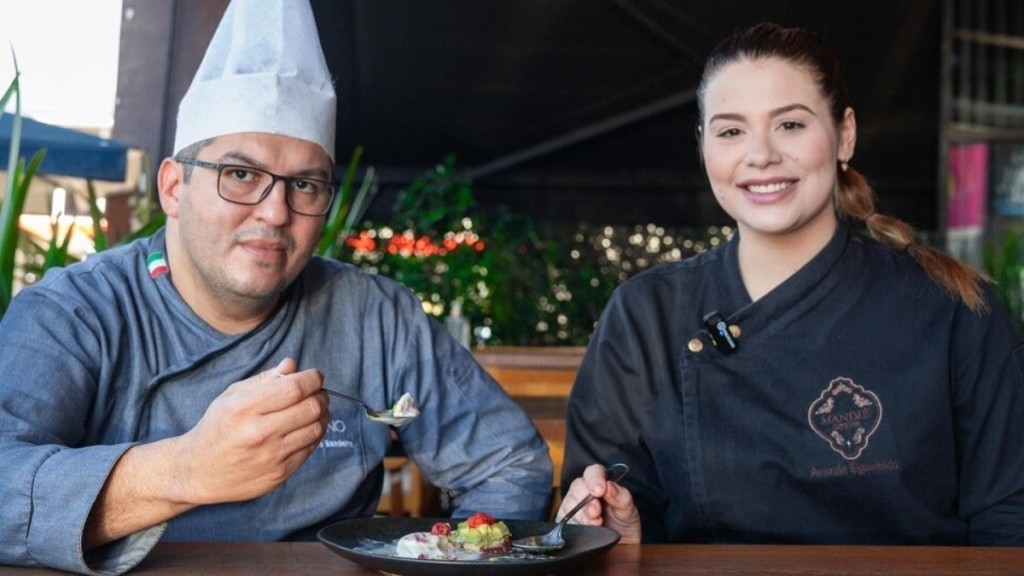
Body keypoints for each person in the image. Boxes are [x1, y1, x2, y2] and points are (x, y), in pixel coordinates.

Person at [0, 1, 551, 573]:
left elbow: (509, 464)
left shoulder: (374, 317)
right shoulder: (74, 312)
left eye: (306, 185)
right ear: (173, 188)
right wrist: (188, 469)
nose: (275, 212)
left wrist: (449, 556)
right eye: (241, 175)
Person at [559, 22, 1024, 546]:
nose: (760, 155)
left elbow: (1009, 520)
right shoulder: (646, 315)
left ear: (844, 134)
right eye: (731, 131)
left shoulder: (955, 311)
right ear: (704, 147)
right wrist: (618, 531)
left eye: (790, 125)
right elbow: (600, 517)